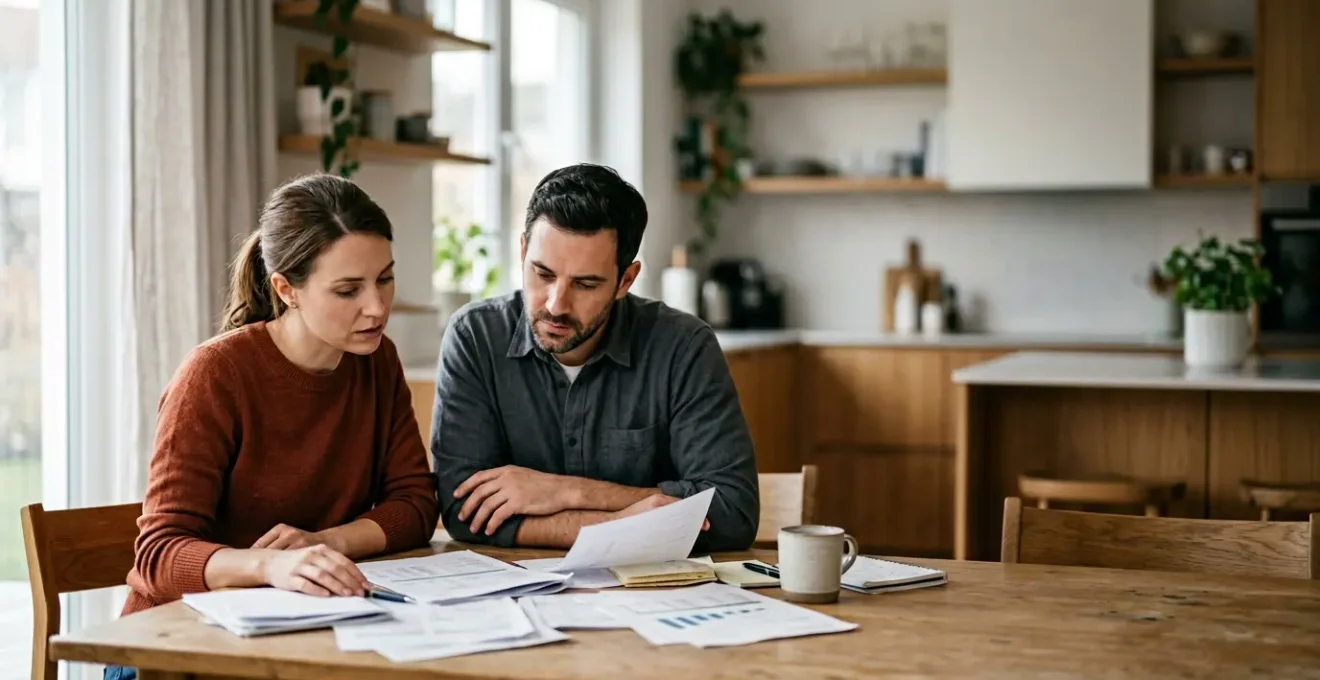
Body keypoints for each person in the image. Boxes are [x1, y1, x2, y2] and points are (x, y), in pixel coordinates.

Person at [104, 174, 439, 680]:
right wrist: (269, 566)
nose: (376, 307)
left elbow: (415, 504)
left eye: (385, 279)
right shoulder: (215, 374)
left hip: (301, 639)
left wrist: (323, 544)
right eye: (348, 290)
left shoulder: (377, 360)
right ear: (287, 289)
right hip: (172, 654)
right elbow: (159, 555)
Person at [430, 163, 759, 553]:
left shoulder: (683, 347)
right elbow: (463, 512)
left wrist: (562, 491)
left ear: (626, 280)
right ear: (522, 251)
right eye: (543, 273)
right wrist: (621, 522)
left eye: (586, 284)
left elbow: (732, 513)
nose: (555, 304)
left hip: (650, 599)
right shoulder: (475, 338)